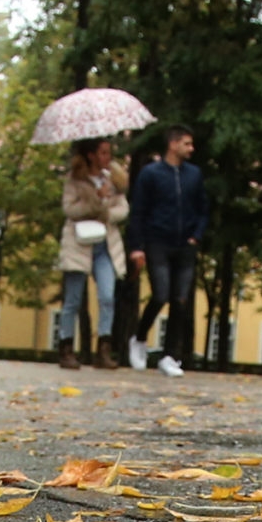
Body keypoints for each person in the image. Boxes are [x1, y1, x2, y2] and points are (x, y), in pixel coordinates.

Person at [125, 125, 206, 376]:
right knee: (160, 294)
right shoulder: (151, 174)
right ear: (173, 144)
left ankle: (170, 355)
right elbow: (138, 211)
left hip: (185, 244)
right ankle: (139, 338)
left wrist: (196, 236)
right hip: (157, 241)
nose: (191, 149)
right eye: (187, 144)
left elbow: (203, 208)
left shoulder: (194, 174)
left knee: (180, 301)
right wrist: (137, 247)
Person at [56, 138, 125, 369]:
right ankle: (66, 348)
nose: (107, 157)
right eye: (103, 152)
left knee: (107, 297)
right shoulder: (74, 180)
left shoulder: (113, 180)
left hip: (105, 245)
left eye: (109, 152)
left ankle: (103, 349)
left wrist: (105, 210)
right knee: (73, 300)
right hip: (79, 243)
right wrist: (96, 199)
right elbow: (69, 209)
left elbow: (122, 208)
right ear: (91, 155)